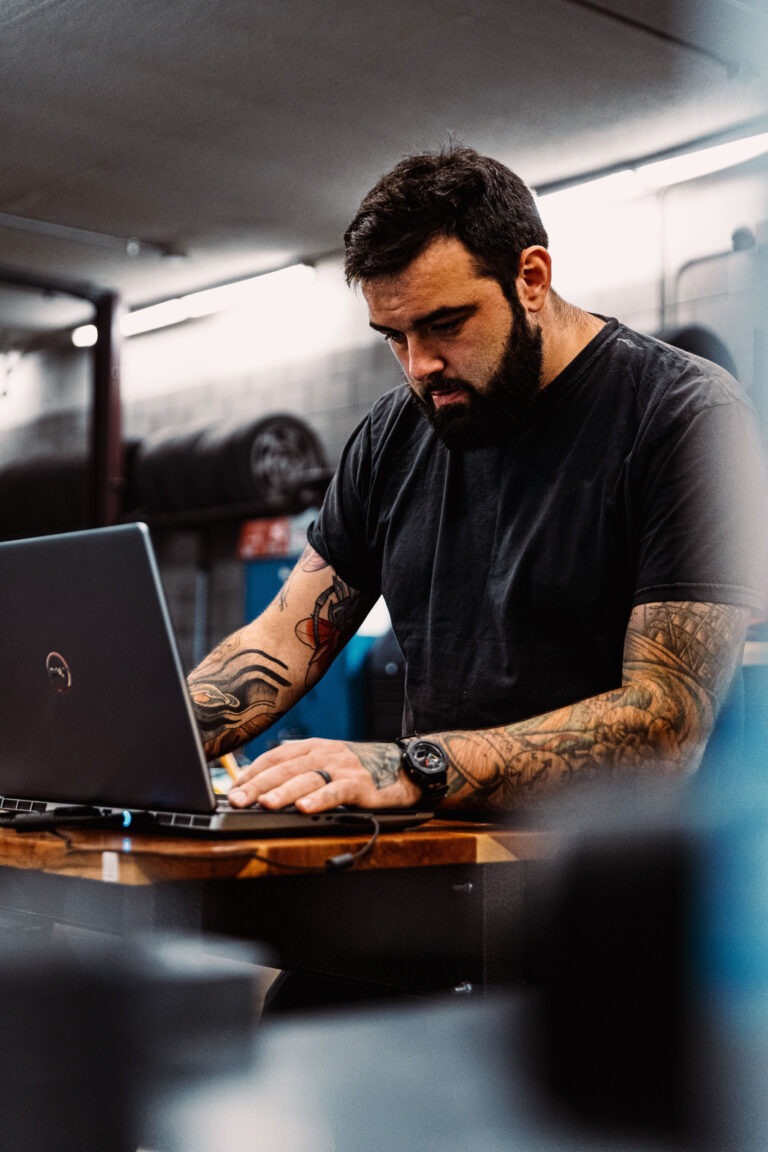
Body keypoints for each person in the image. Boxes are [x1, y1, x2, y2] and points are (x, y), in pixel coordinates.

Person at [188, 145, 767, 816]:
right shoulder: (392, 436)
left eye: (444, 325)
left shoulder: (683, 417)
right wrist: (139, 742)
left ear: (531, 277)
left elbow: (665, 723)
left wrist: (415, 764)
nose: (419, 365)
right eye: (394, 337)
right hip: (448, 859)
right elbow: (283, 640)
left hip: (628, 877)